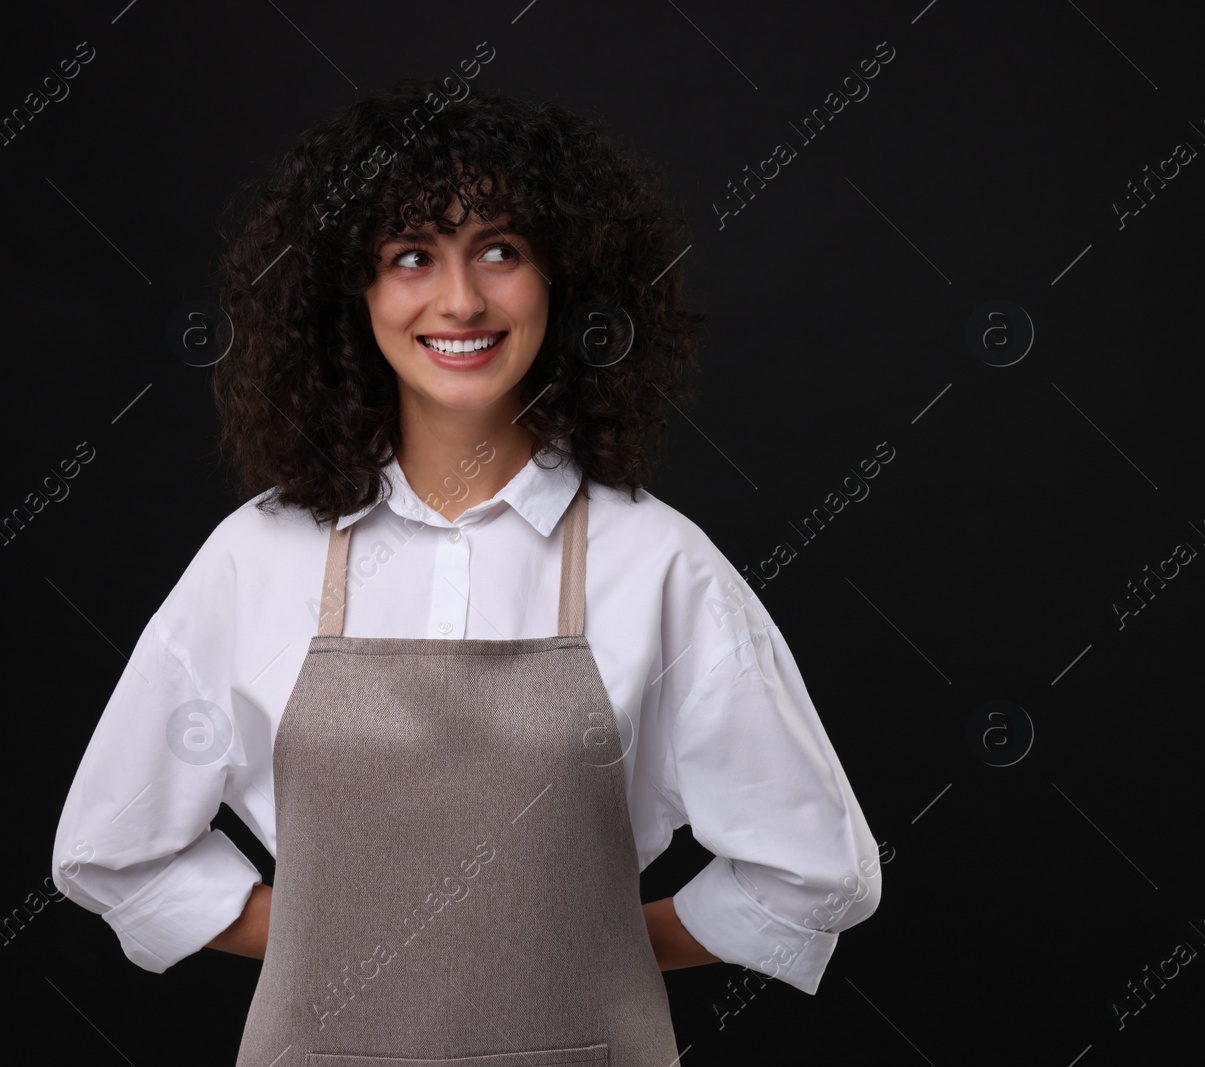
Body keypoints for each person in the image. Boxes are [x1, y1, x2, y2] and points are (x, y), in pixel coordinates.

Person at [50, 77, 881, 1063]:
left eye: (500, 249)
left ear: (563, 280)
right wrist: (347, 943)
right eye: (410, 256)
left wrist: (588, 943)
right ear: (348, 293)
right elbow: (112, 848)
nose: (460, 299)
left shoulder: (657, 562)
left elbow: (818, 870)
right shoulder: (256, 556)